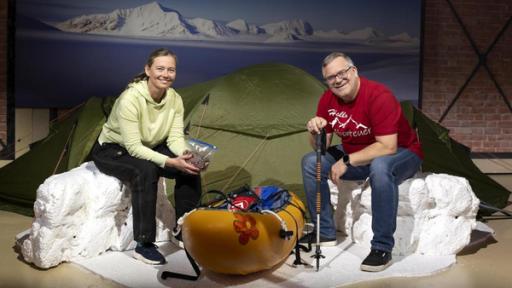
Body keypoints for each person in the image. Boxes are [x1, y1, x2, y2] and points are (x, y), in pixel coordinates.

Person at [301, 52, 423, 272]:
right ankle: (325, 231)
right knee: (310, 162)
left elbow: (387, 146)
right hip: (358, 154)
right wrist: (314, 130)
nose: (337, 80)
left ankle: (382, 248)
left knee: (381, 166)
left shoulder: (378, 95)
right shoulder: (327, 100)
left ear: (354, 71)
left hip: (403, 153)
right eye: (330, 77)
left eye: (342, 73)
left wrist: (348, 160)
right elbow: (321, 148)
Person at [91, 48, 202, 265]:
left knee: (190, 167)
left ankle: (184, 229)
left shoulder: (175, 99)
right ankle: (144, 244)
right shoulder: (130, 99)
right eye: (160, 68)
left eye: (171, 70)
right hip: (113, 149)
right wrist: (170, 161)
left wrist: (185, 154)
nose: (166, 74)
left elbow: (175, 138)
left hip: (148, 145)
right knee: (145, 170)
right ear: (148, 70)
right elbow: (133, 148)